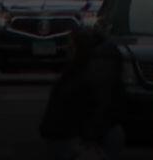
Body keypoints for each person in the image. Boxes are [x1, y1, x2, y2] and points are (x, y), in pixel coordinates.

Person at [40, 27, 126, 159]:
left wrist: (88, 139)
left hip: (75, 140)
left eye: (71, 46)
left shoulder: (88, 74)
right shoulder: (79, 73)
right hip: (72, 138)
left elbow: (101, 109)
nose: (67, 49)